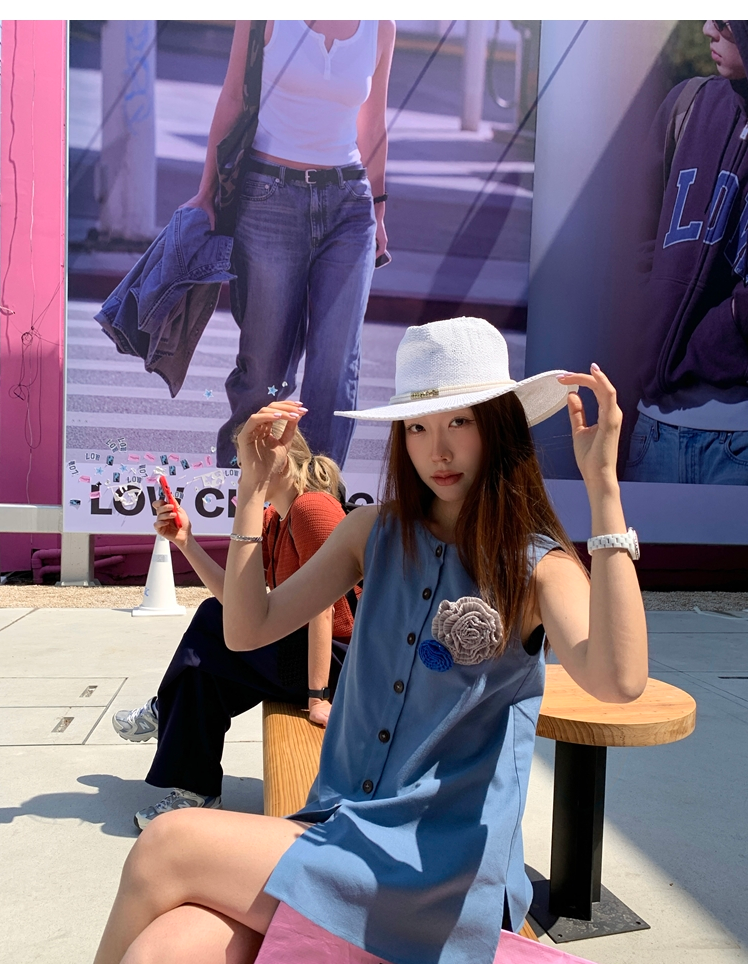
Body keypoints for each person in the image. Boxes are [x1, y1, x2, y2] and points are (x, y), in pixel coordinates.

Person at [93, 317, 648, 964]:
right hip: (337, 830)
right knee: (163, 947)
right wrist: (250, 491)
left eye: (460, 421)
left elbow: (618, 680)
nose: (438, 450)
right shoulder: (371, 532)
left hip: (437, 869)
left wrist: (604, 491)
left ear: (500, 426)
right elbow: (247, 628)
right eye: (417, 427)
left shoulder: (535, 565)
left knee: (165, 846)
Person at [112, 408, 356, 831]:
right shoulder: (273, 519)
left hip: (340, 665)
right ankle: (196, 790)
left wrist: (317, 697)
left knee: (211, 624)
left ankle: (164, 714)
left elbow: (325, 607)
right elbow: (239, 606)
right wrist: (186, 542)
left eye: (247, 461)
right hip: (301, 652)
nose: (242, 473)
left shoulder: (312, 508)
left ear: (280, 457)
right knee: (205, 664)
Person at [183, 20, 395, 469]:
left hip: (349, 206)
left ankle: (319, 496)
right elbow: (233, 97)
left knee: (336, 364)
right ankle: (244, 486)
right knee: (265, 368)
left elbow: (373, 123)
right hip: (269, 198)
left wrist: (378, 211)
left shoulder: (381, 26)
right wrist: (206, 192)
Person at [624, 20, 748, 484]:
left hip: (739, 441)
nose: (708, 28)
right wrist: (649, 320)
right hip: (654, 431)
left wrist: (726, 325)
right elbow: (636, 241)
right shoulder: (688, 106)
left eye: (727, 19)